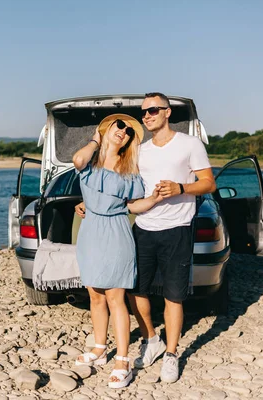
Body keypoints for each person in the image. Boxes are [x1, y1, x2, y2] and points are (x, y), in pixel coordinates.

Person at [75, 92, 216, 383]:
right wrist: (87, 203)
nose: (148, 115)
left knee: (173, 296)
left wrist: (181, 188)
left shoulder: (189, 144)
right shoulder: (142, 151)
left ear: (167, 112)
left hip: (177, 227)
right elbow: (102, 181)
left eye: (153, 110)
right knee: (135, 291)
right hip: (142, 228)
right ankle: (151, 340)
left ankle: (171, 355)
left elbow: (209, 184)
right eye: (144, 112)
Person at [72, 114, 164, 389]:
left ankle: (122, 360)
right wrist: (95, 139)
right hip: (89, 233)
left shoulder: (130, 169)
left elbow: (132, 206)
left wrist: (154, 199)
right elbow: (77, 161)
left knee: (115, 297)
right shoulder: (89, 161)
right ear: (105, 129)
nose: (123, 131)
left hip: (115, 232)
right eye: (118, 125)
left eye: (128, 130)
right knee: (95, 294)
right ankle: (99, 348)